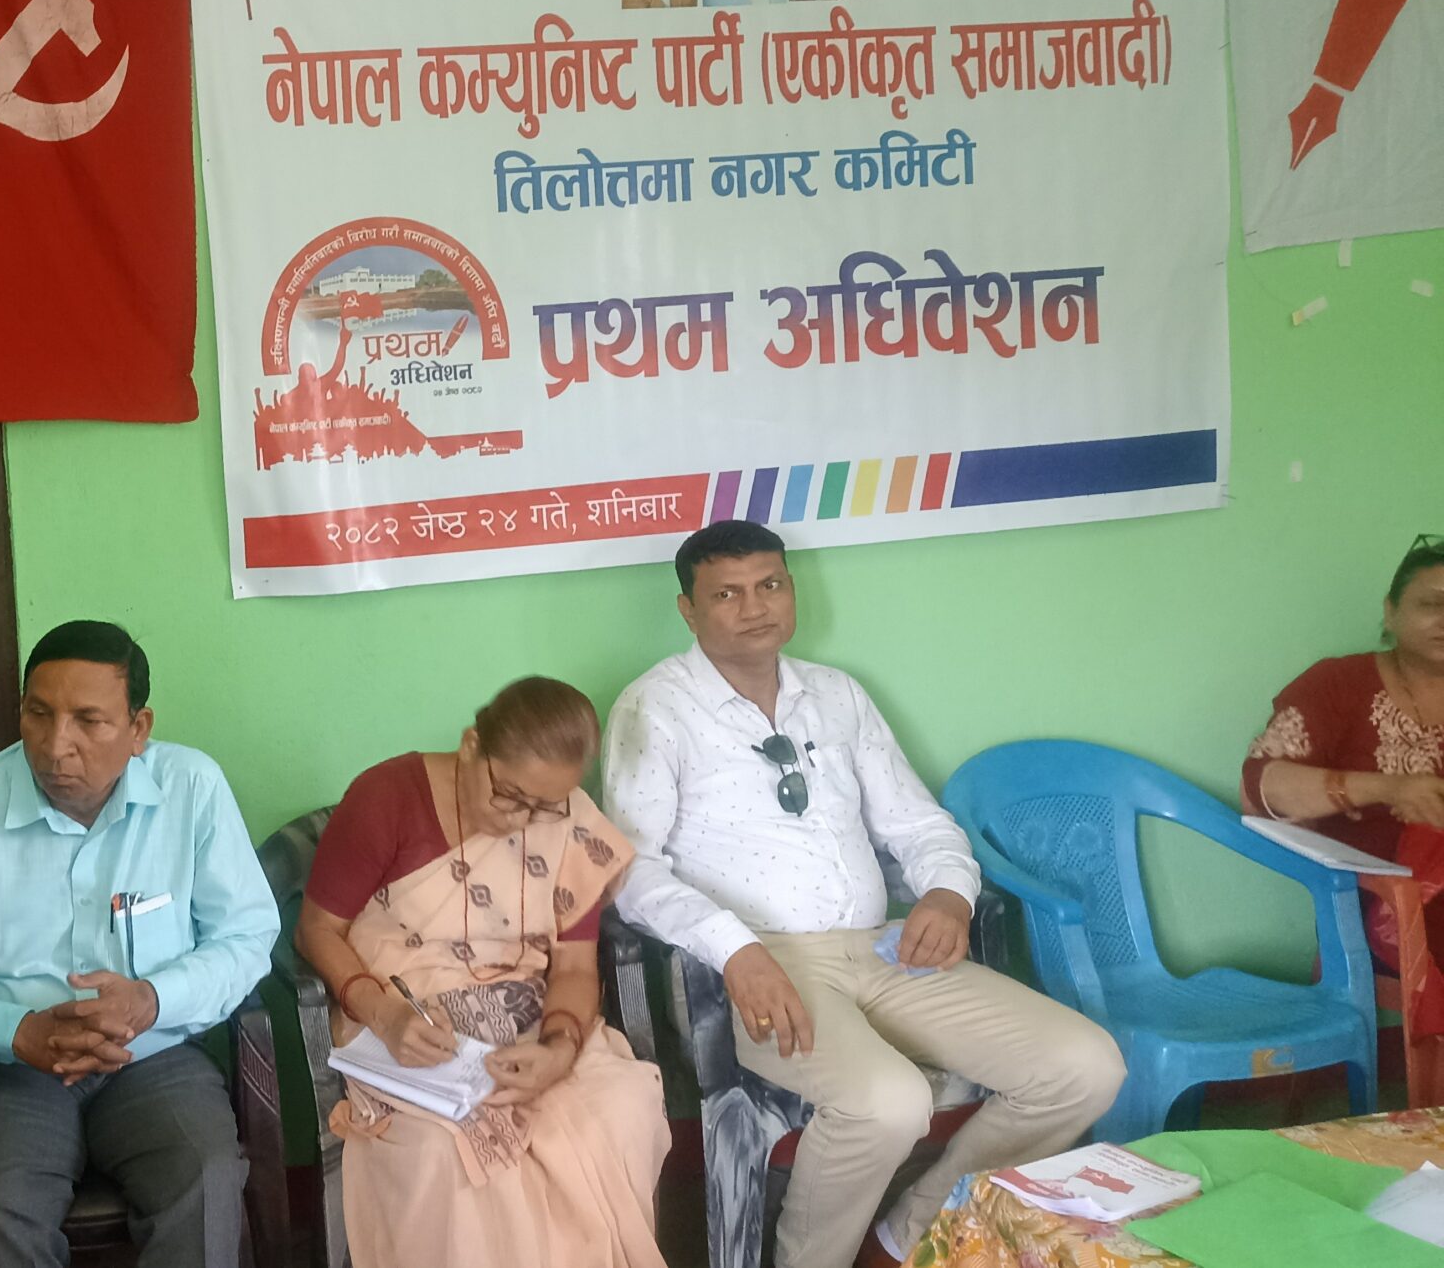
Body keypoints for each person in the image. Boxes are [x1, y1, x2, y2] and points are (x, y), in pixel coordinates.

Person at [604, 522, 1123, 1268]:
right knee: (888, 1102)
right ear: (688, 609)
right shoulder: (654, 707)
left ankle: (908, 1238)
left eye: (770, 585)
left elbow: (919, 824)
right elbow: (630, 872)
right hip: (753, 969)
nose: (755, 607)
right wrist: (736, 950)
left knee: (1085, 1066)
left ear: (791, 589)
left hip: (883, 950)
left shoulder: (836, 694)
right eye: (726, 594)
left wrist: (948, 895)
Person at [0, 621, 278, 1268]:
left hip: (152, 1055)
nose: (56, 746)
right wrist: (14, 1030)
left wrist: (151, 999)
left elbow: (247, 935)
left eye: (89, 720)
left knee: (203, 1180)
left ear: (139, 728)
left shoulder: (191, 789)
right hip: (9, 1067)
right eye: (38, 714)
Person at [295, 676, 669, 1268]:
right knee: (446, 1152)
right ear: (472, 745)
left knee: (621, 1107)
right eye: (511, 796)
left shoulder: (572, 821)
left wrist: (559, 1049)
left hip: (532, 1019)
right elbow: (316, 930)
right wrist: (385, 1016)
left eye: (547, 807)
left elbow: (575, 966)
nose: (525, 821)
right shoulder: (387, 797)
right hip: (409, 1023)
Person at [1244, 535, 1444, 1036]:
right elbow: (1264, 786)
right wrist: (1389, 789)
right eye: (1431, 604)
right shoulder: (1338, 685)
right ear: (1390, 611)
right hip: (1376, 901)